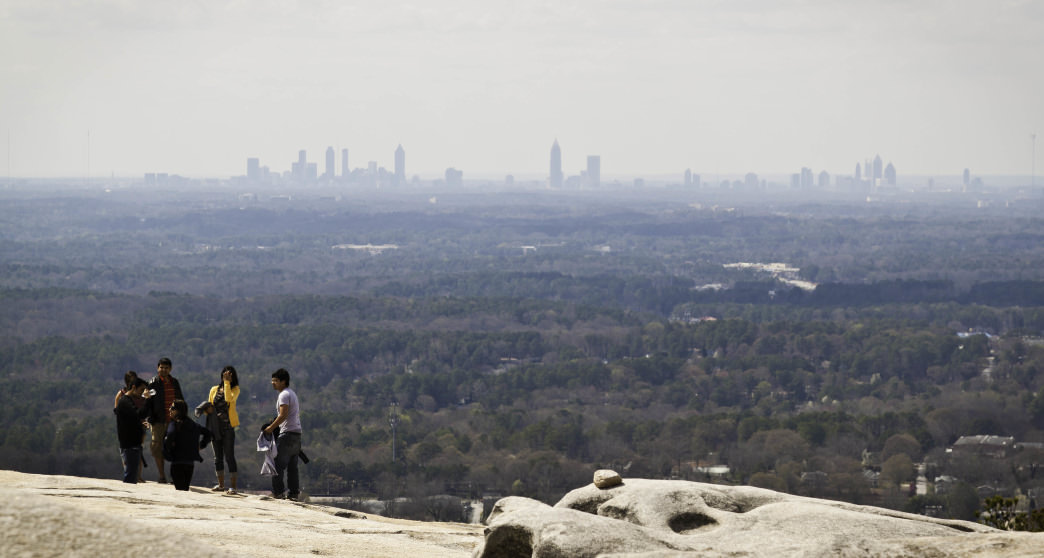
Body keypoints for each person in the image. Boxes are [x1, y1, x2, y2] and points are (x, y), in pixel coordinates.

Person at [262, 368, 302, 500]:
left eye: (276, 380)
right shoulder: (292, 393)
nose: (272, 383)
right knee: (292, 467)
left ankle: (278, 493)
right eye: (272, 380)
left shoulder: (284, 395)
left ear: (283, 381)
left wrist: (270, 428)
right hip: (296, 434)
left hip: (287, 434)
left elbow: (283, 414)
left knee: (277, 465)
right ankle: (294, 493)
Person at [147, 357, 184, 484]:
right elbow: (147, 402)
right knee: (157, 447)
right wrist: (149, 417)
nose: (163, 370)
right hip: (158, 421)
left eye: (166, 368)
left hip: (173, 421)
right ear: (157, 368)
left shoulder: (175, 383)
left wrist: (182, 417)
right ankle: (162, 476)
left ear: (170, 369)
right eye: (161, 367)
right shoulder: (153, 383)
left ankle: (174, 476)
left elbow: (181, 401)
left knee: (175, 447)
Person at [163, 399, 212, 491]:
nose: (169, 409)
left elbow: (169, 436)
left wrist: (167, 453)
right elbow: (208, 434)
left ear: (178, 411)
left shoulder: (174, 424)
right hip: (190, 464)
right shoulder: (193, 424)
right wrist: (201, 445)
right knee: (185, 489)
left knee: (179, 490)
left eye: (172, 408)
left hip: (177, 463)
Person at [207, 365, 240, 494]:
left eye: (230, 375)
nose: (227, 376)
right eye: (225, 374)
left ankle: (233, 486)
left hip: (228, 427)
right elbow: (210, 405)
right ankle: (221, 484)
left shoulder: (235, 389)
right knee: (217, 457)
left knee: (229, 456)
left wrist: (227, 383)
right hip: (215, 427)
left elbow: (228, 399)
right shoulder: (214, 389)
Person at [114, 378, 152, 484]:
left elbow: (135, 417)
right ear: (134, 387)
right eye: (142, 389)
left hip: (133, 443)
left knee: (132, 475)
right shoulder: (125, 401)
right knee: (130, 477)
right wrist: (148, 400)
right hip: (129, 444)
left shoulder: (128, 401)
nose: (142, 393)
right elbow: (140, 414)